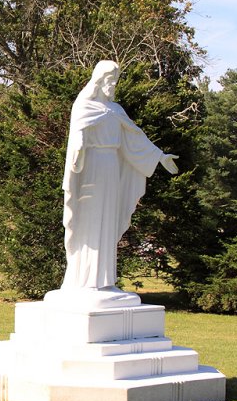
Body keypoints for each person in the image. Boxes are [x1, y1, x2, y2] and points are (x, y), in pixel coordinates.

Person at [59, 60, 179, 296]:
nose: (113, 84)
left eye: (115, 80)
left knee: (108, 220)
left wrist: (159, 157)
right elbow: (76, 137)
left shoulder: (116, 111)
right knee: (89, 220)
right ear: (99, 80)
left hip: (111, 169)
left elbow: (134, 140)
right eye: (110, 79)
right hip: (90, 169)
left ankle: (104, 279)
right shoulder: (84, 106)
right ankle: (82, 279)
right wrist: (78, 148)